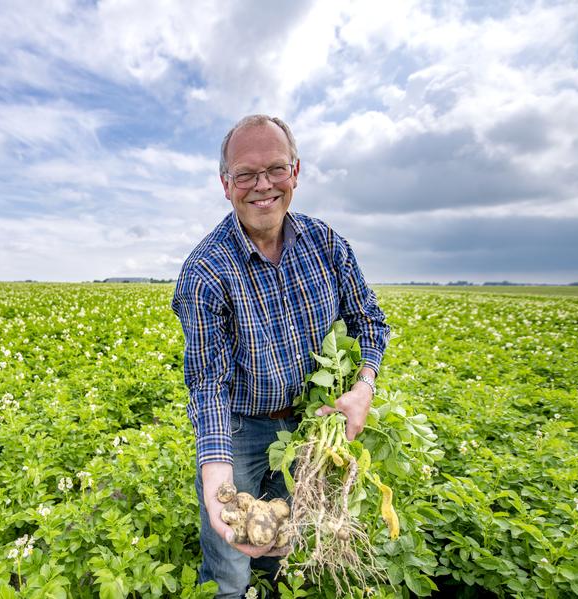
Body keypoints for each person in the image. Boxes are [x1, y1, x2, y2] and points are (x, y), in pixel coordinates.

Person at [171, 115, 390, 598]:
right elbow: (208, 383)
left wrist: (363, 386)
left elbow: (369, 320)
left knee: (280, 546)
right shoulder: (205, 272)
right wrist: (216, 475)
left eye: (275, 169)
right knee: (230, 560)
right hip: (241, 429)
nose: (262, 185)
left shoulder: (326, 244)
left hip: (310, 429)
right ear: (225, 184)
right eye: (245, 174)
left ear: (296, 171)